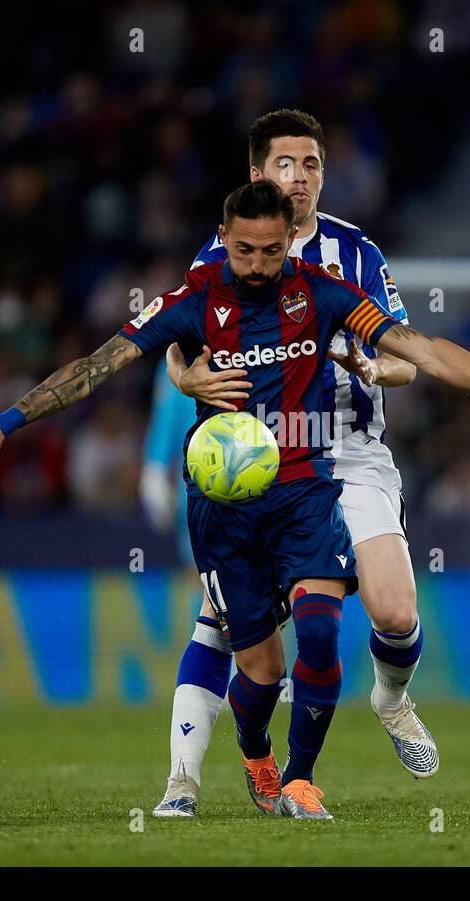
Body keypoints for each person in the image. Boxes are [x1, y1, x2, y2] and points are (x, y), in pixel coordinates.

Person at [0, 181, 470, 820]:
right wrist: (1, 424)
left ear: (288, 245)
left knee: (322, 634)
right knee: (261, 672)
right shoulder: (194, 298)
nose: (256, 266)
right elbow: (97, 364)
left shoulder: (321, 292)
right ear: (224, 241)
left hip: (303, 490)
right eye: (244, 251)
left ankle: (301, 782)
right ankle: (255, 752)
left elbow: (422, 351)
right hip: (223, 506)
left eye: (270, 252)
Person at [150, 109, 438, 819]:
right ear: (257, 175)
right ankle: (183, 782)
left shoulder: (357, 252)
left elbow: (407, 361)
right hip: (263, 452)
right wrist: (186, 381)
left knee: (396, 614)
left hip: (353, 451)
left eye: (311, 165)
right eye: (286, 165)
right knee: (221, 623)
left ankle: (392, 698)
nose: (300, 177)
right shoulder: (227, 251)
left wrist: (373, 367)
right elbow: (177, 342)